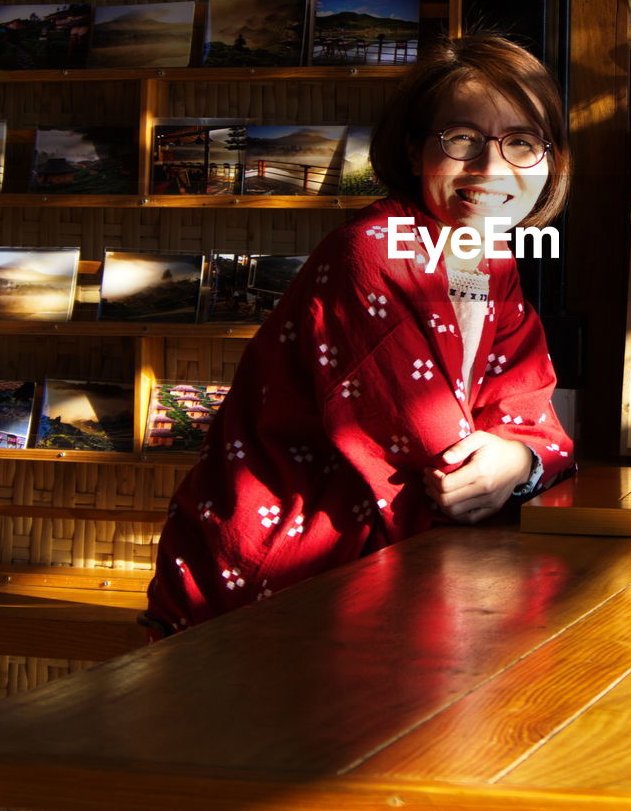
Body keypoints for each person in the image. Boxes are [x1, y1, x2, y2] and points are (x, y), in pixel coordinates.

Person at [143, 35, 575, 635]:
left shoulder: (493, 256)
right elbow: (439, 463)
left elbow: (528, 404)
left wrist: (517, 457)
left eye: (522, 143)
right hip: (278, 579)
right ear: (412, 148)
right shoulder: (369, 254)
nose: (491, 168)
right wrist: (502, 465)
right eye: (461, 139)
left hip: (379, 567)